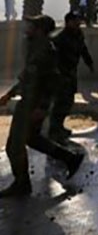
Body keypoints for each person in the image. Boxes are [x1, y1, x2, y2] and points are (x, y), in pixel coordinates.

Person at [0, 15, 84, 198]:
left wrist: (43, 107)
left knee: (14, 146)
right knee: (32, 138)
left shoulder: (46, 49)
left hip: (33, 104)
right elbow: (28, 75)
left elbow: (53, 81)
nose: (27, 27)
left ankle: (22, 185)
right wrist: (10, 94)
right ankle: (70, 158)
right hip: (29, 101)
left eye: (32, 25)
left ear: (40, 29)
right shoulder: (36, 46)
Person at [47, 12, 94, 141]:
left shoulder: (78, 34)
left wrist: (89, 62)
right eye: (76, 20)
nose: (79, 23)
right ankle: (54, 130)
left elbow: (83, 49)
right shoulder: (59, 38)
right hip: (60, 75)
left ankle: (59, 127)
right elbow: (51, 58)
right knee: (59, 102)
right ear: (69, 22)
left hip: (71, 73)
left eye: (79, 20)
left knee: (68, 102)